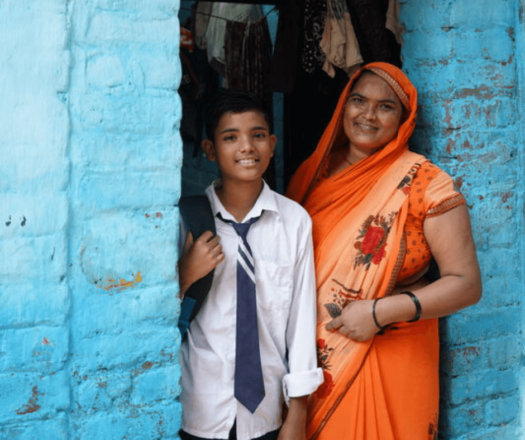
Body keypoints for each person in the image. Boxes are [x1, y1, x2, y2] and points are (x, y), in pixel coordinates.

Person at [286, 62, 482, 440]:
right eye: (358, 101)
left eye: (385, 106)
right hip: (316, 355)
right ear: (344, 106)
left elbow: (466, 284)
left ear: (404, 119)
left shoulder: (425, 183)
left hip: (395, 348)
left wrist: (377, 312)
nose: (368, 115)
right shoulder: (311, 176)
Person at [178, 90, 324, 440]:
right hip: (198, 407)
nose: (246, 147)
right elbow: (155, 318)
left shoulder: (294, 222)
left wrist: (298, 411)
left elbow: (301, 320)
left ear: (272, 144)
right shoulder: (188, 221)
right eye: (230, 137)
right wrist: (185, 274)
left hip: (267, 413)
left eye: (257, 135)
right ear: (210, 149)